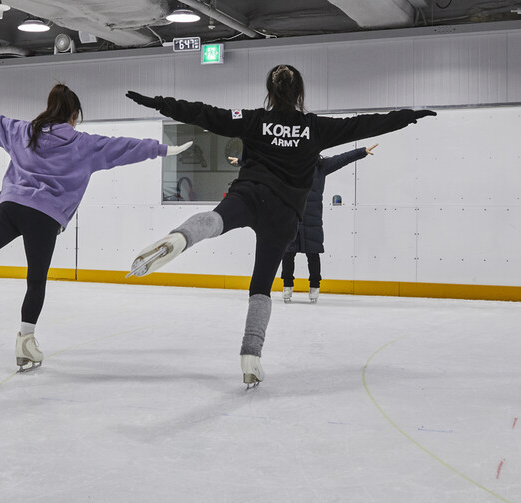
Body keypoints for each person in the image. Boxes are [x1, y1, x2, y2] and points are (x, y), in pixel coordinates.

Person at [125, 65, 435, 386]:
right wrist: (405, 116)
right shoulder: (315, 128)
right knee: (260, 288)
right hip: (285, 216)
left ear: (270, 93)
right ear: (300, 94)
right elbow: (361, 124)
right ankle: (250, 357)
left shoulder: (253, 120)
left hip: (249, 196)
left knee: (217, 220)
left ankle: (181, 237)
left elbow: (205, 114)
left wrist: (159, 102)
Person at [0, 83, 193, 371]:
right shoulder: (83, 144)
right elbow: (123, 148)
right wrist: (163, 149)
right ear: (74, 115)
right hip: (45, 217)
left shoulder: (23, 131)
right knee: (35, 281)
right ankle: (25, 341)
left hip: (11, 206)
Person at [279, 143, 378, 304]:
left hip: (312, 220)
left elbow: (342, 159)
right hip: (292, 218)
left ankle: (314, 287)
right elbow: (266, 165)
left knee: (313, 254)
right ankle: (287, 286)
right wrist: (243, 160)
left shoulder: (321, 167)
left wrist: (362, 152)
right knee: (288, 253)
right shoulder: (287, 167)